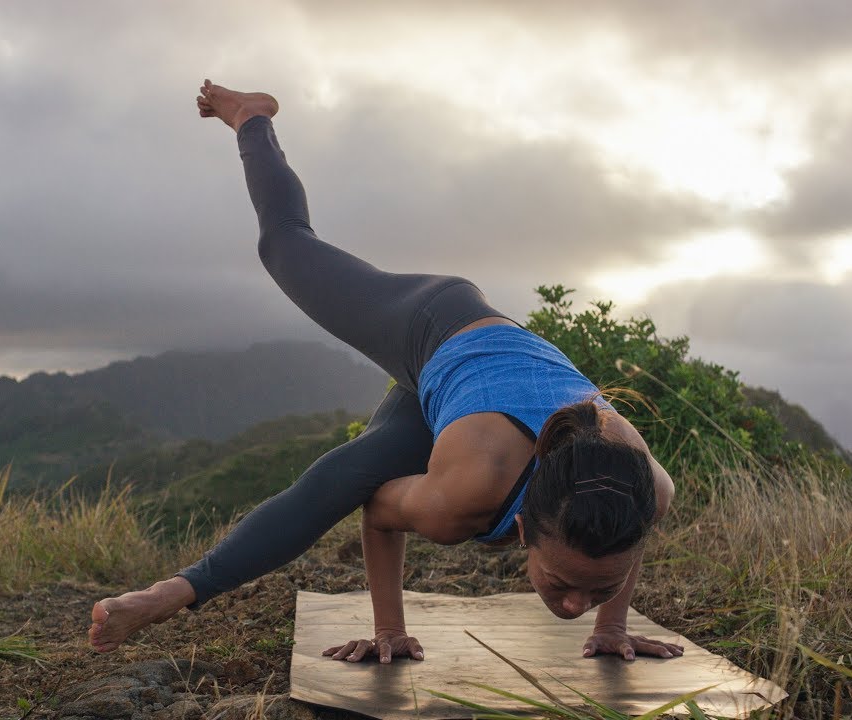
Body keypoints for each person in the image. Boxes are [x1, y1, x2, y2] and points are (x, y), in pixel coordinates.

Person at [88, 80, 684, 665]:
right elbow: (380, 513)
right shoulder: (466, 492)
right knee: (285, 247)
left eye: (596, 589)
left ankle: (174, 590)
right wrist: (388, 630)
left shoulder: (646, 493)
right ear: (523, 528)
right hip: (434, 326)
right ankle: (252, 117)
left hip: (471, 395)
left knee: (353, 467)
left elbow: (618, 553)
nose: (574, 604)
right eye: (561, 583)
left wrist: (612, 624)